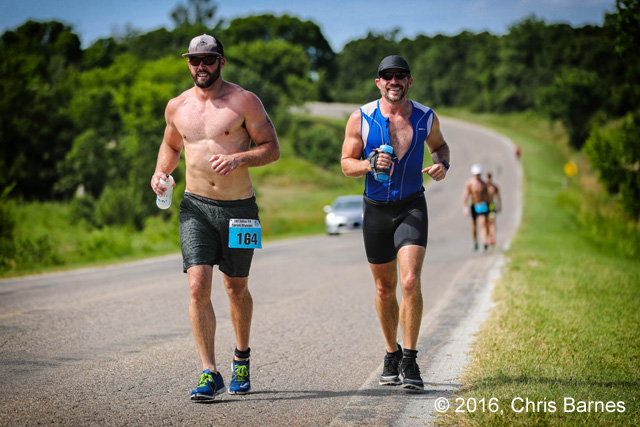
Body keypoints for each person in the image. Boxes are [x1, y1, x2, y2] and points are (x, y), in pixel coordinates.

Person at [150, 34, 280, 402]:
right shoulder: (176, 107)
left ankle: (241, 358)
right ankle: (209, 371)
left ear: (221, 61)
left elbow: (272, 149)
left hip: (239, 210)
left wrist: (239, 159)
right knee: (196, 285)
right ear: (188, 63)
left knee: (235, 287)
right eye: (194, 60)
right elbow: (170, 146)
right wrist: (161, 173)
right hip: (195, 206)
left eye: (208, 59)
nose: (200, 66)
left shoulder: (244, 101)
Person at [341, 55, 450, 390]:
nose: (394, 81)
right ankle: (392, 352)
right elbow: (346, 164)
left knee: (410, 280)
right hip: (375, 208)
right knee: (384, 288)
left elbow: (440, 147)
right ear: (378, 83)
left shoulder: (425, 117)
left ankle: (411, 359)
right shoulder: (360, 118)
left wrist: (442, 164)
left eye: (400, 76)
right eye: (387, 76)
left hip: (411, 205)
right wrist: (369, 163)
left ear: (409, 81)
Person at [462, 164, 490, 251]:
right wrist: (465, 207)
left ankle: (484, 241)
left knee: (483, 223)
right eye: (476, 174)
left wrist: (489, 205)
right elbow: (466, 196)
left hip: (483, 205)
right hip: (474, 205)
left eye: (479, 174)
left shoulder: (484, 183)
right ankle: (475, 242)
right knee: (474, 225)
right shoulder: (469, 183)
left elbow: (487, 195)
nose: (477, 176)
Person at [486, 172, 502, 247]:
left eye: (489, 177)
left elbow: (498, 197)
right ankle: (489, 237)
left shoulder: (494, 187)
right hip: (485, 205)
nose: (488, 179)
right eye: (487, 177)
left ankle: (493, 237)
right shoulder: (484, 186)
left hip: (492, 205)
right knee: (486, 222)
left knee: (492, 221)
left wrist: (499, 206)